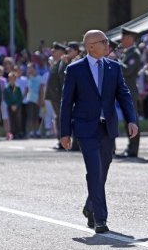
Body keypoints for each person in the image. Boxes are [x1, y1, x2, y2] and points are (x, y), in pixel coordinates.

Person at [60, 30, 138, 234]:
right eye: (103, 42)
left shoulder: (114, 67)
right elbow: (66, 103)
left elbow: (124, 93)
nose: (108, 45)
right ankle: (101, 219)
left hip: (107, 127)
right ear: (91, 46)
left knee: (103, 169)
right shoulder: (75, 69)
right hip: (86, 128)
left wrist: (132, 119)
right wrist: (65, 132)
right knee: (95, 170)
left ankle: (90, 207)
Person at [116, 27, 142, 158]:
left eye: (123, 38)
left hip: (130, 91)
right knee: (128, 121)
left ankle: (133, 149)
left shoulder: (135, 53)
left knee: (132, 120)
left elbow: (127, 71)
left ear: (130, 39)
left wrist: (116, 60)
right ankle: (130, 147)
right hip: (125, 91)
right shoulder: (127, 53)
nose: (121, 40)